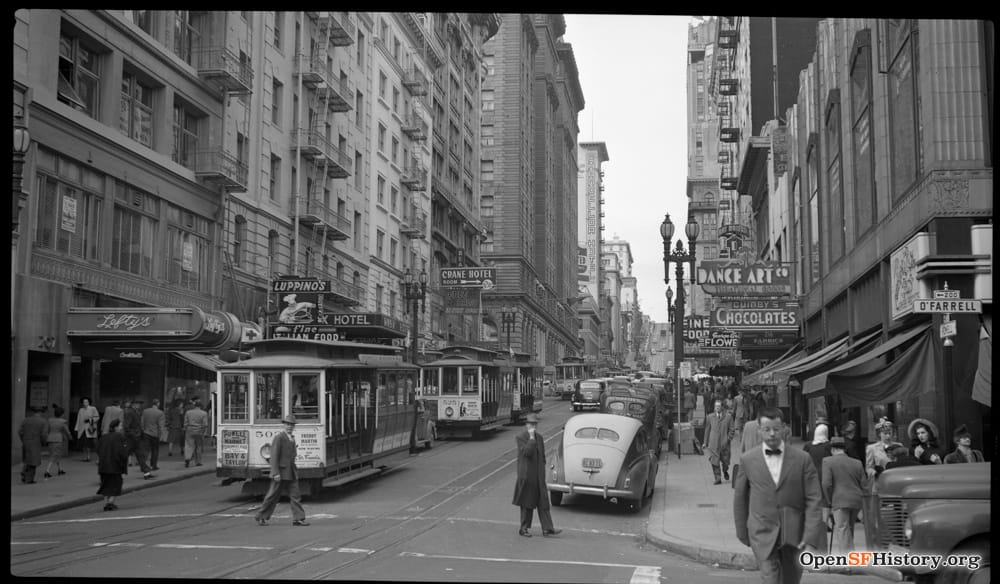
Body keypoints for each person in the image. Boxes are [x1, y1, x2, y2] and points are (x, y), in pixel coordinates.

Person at [734, 407, 825, 584]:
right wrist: (742, 532)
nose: (772, 434)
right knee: (770, 577)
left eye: (776, 429)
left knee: (791, 580)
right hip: (762, 532)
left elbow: (814, 499)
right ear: (759, 430)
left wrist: (810, 536)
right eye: (767, 429)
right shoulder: (748, 460)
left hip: (794, 534)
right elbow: (740, 498)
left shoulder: (803, 459)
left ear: (784, 428)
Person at [512, 413, 561, 537]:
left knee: (543, 502)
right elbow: (527, 452)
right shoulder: (521, 437)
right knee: (527, 502)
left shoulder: (540, 438)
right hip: (527, 476)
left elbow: (542, 456)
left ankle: (547, 528)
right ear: (526, 424)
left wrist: (543, 472)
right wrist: (532, 438)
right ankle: (523, 529)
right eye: (531, 424)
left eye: (535, 424)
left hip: (538, 475)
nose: (533, 426)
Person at [254, 415, 309, 526]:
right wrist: (275, 473)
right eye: (288, 424)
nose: (289, 427)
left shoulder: (291, 438)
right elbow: (274, 456)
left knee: (295, 495)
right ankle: (261, 516)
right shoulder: (279, 438)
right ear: (284, 425)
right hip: (281, 472)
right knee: (272, 495)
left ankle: (298, 518)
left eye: (291, 425)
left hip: (291, 472)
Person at [821, 436, 865, 554]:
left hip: (839, 499)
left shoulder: (827, 461)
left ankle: (848, 563)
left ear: (833, 449)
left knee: (842, 529)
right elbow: (864, 484)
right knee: (849, 529)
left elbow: (826, 484)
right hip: (856, 500)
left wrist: (829, 500)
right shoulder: (857, 463)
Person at [863, 417, 896, 549]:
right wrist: (874, 472)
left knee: (894, 515)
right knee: (879, 516)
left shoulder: (898, 446)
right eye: (885, 433)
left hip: (894, 485)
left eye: (889, 433)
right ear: (879, 434)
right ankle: (881, 543)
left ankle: (895, 541)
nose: (887, 435)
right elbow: (868, 467)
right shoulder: (872, 448)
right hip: (879, 485)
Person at [96, 418, 129, 511]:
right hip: (115, 465)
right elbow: (122, 453)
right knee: (116, 484)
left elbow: (98, 449)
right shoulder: (120, 437)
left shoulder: (103, 437)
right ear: (116, 427)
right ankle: (110, 503)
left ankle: (107, 502)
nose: (121, 427)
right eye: (120, 425)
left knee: (105, 484)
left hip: (103, 465)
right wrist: (123, 465)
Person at [703, 400, 734, 485]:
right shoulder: (710, 417)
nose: (717, 408)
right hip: (713, 443)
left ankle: (725, 470)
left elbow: (732, 429)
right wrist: (705, 442)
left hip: (725, 444)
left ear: (722, 407)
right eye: (716, 406)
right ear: (714, 407)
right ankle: (718, 478)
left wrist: (728, 439)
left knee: (725, 461)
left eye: (719, 406)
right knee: (714, 461)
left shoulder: (728, 417)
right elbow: (707, 430)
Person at [122, 398, 154, 479]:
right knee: (123, 455)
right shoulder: (129, 412)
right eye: (137, 403)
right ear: (133, 404)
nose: (139, 405)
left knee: (140, 455)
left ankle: (146, 472)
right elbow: (126, 426)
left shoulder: (136, 412)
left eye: (140, 404)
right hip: (131, 438)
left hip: (136, 438)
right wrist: (134, 434)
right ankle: (113, 471)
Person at [19, 406, 48, 484]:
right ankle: (29, 479)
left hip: (26, 442)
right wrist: (44, 442)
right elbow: (44, 434)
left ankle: (24, 472)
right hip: (36, 442)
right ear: (41, 412)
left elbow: (20, 432)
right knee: (33, 462)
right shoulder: (43, 421)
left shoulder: (26, 420)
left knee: (27, 459)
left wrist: (23, 440)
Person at [44, 404, 72, 478]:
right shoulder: (63, 422)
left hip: (50, 438)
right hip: (58, 439)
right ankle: (47, 470)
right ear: (62, 414)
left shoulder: (50, 420)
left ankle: (60, 469)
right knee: (54, 455)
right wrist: (70, 437)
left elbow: (46, 430)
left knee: (56, 454)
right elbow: (67, 431)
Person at [183, 396, 210, 468]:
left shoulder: (188, 412)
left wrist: (186, 429)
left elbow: (185, 423)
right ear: (200, 406)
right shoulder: (203, 413)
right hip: (199, 431)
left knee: (189, 445)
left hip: (190, 430)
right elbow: (205, 424)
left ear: (194, 405)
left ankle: (187, 458)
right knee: (198, 446)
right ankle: (198, 461)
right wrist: (203, 432)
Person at [141, 399, 167, 471]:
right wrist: (163, 435)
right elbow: (161, 425)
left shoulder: (145, 411)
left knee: (146, 450)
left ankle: (143, 465)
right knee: (155, 449)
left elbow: (142, 422)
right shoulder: (160, 413)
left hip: (146, 433)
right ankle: (153, 465)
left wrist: (143, 430)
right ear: (158, 404)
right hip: (155, 434)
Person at [75, 397, 100, 462]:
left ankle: (88, 456)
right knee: (83, 443)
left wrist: (89, 420)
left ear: (89, 402)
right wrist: (77, 428)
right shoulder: (81, 410)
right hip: (82, 428)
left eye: (86, 402)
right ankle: (84, 456)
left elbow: (97, 417)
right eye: (84, 402)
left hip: (89, 427)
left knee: (88, 443)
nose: (85, 403)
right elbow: (78, 419)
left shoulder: (93, 408)